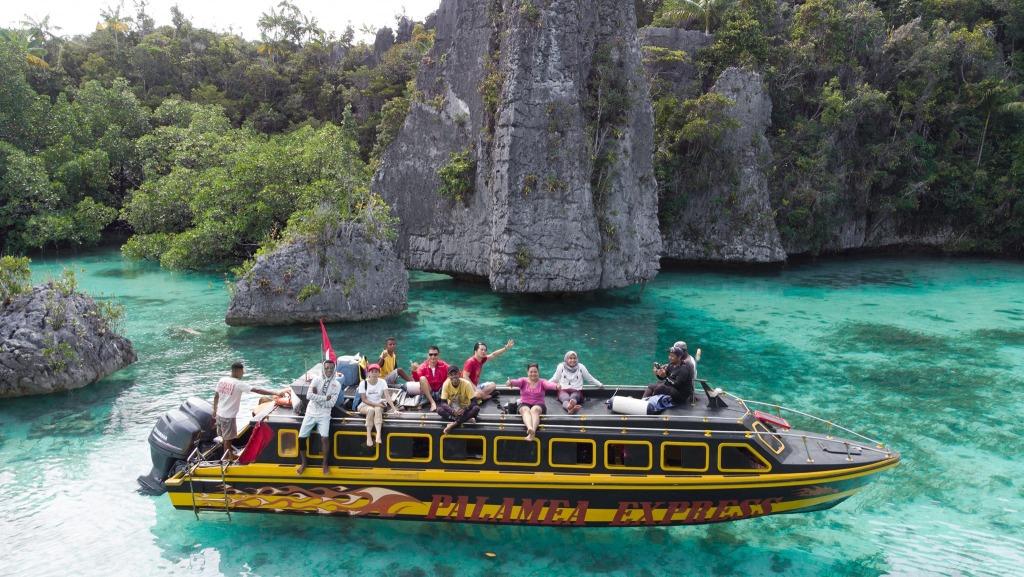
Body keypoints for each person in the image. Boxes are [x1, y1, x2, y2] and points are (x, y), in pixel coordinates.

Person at [211, 361, 283, 461]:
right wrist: (276, 392)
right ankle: (227, 458)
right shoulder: (238, 384)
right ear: (237, 371)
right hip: (228, 416)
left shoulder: (222, 380)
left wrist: (214, 410)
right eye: (242, 372)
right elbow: (257, 390)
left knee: (224, 437)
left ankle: (229, 454)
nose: (243, 374)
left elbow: (216, 396)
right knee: (228, 439)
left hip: (220, 414)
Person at [297, 360, 342, 475]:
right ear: (323, 368)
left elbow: (331, 404)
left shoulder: (336, 384)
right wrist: (324, 398)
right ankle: (304, 463)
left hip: (324, 414)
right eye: (327, 368)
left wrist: (317, 398)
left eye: (331, 368)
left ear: (334, 369)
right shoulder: (316, 379)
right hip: (311, 412)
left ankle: (325, 464)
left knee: (325, 438)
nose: (329, 370)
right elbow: (308, 395)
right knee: (301, 438)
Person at [507, 363, 558, 441]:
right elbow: (516, 382)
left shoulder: (542, 381)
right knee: (525, 410)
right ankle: (530, 428)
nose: (533, 374)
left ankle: (533, 431)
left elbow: (549, 385)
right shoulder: (523, 380)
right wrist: (510, 382)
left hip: (539, 404)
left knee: (534, 410)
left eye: (535, 371)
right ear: (527, 372)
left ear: (538, 372)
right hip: (524, 403)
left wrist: (556, 386)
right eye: (531, 372)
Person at [438, 365, 481, 435]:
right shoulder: (446, 384)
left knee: (476, 408)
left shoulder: (466, 384)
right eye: (451, 375)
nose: (454, 376)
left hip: (465, 410)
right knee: (439, 410)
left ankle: (454, 424)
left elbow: (474, 401)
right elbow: (443, 403)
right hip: (454, 410)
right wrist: (452, 411)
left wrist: (465, 409)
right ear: (448, 376)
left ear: (459, 374)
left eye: (455, 374)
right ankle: (466, 420)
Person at [358, 364, 392, 447]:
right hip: (364, 405)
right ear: (368, 373)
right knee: (371, 410)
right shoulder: (363, 383)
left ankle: (378, 434)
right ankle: (368, 436)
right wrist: (377, 404)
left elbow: (387, 397)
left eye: (376, 372)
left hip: (377, 405)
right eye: (372, 372)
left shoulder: (382, 382)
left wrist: (394, 409)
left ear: (379, 373)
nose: (374, 373)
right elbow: (364, 399)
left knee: (376, 409)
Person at [409, 345, 450, 412]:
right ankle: (432, 402)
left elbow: (453, 371)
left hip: (441, 391)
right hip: (429, 392)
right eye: (431, 354)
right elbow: (417, 380)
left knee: (450, 377)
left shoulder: (444, 365)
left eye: (435, 354)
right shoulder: (423, 366)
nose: (433, 357)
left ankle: (448, 401)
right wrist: (414, 371)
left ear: (438, 355)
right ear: (428, 355)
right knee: (422, 378)